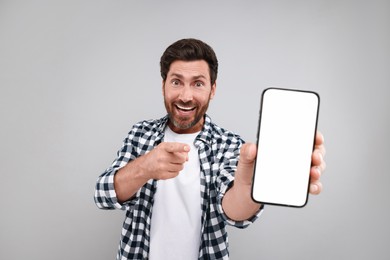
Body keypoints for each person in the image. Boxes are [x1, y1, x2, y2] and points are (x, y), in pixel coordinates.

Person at [94, 38, 326, 260]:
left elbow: (235, 212)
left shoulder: (228, 144)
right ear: (163, 84)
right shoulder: (140, 134)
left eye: (198, 83)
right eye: (176, 82)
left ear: (212, 89)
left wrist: (248, 184)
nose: (186, 96)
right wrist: (145, 167)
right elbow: (102, 195)